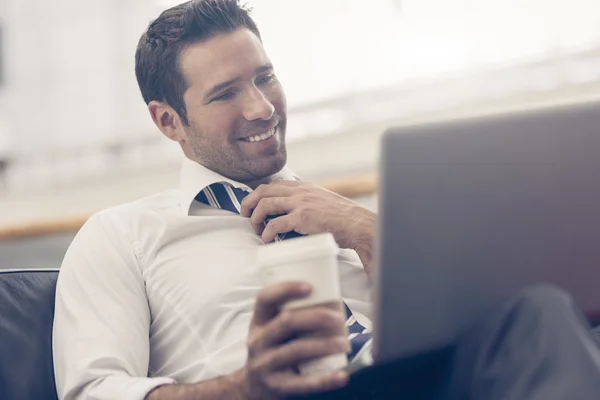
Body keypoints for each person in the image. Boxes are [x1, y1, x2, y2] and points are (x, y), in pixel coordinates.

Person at [52, 1, 600, 399]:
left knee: (539, 307)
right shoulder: (120, 235)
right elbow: (94, 391)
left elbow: (462, 322)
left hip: (420, 380)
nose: (262, 108)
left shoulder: (343, 215)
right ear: (168, 120)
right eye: (225, 93)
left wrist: (367, 229)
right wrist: (247, 388)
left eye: (265, 77)